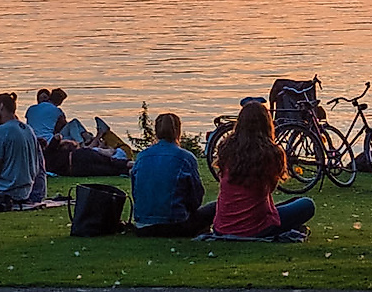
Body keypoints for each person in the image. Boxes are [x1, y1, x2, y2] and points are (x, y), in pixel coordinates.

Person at [208, 101, 314, 238]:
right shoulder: (272, 153)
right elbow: (270, 188)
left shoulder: (226, 148)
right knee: (306, 204)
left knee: (291, 203)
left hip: (222, 227)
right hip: (257, 227)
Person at [129, 113, 209, 237]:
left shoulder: (141, 156)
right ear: (178, 131)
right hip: (174, 225)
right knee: (214, 207)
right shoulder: (186, 157)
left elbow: (135, 191)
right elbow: (196, 196)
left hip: (143, 225)